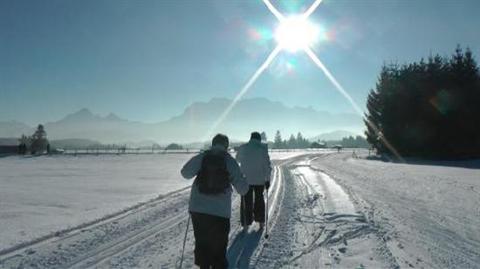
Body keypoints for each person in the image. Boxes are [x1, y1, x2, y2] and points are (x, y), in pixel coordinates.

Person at [181, 134, 249, 269]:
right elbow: (243, 190)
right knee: (218, 250)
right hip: (220, 212)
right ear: (226, 145)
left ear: (213, 144)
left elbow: (185, 173)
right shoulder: (229, 161)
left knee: (202, 245)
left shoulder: (203, 157)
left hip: (198, 210)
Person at [236, 132, 272, 231]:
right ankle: (261, 222)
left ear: (251, 138)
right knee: (259, 200)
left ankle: (246, 223)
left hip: (246, 179)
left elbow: (237, 159)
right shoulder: (262, 148)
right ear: (259, 139)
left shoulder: (243, 147)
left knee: (246, 201)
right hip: (259, 180)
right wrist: (267, 180)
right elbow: (267, 166)